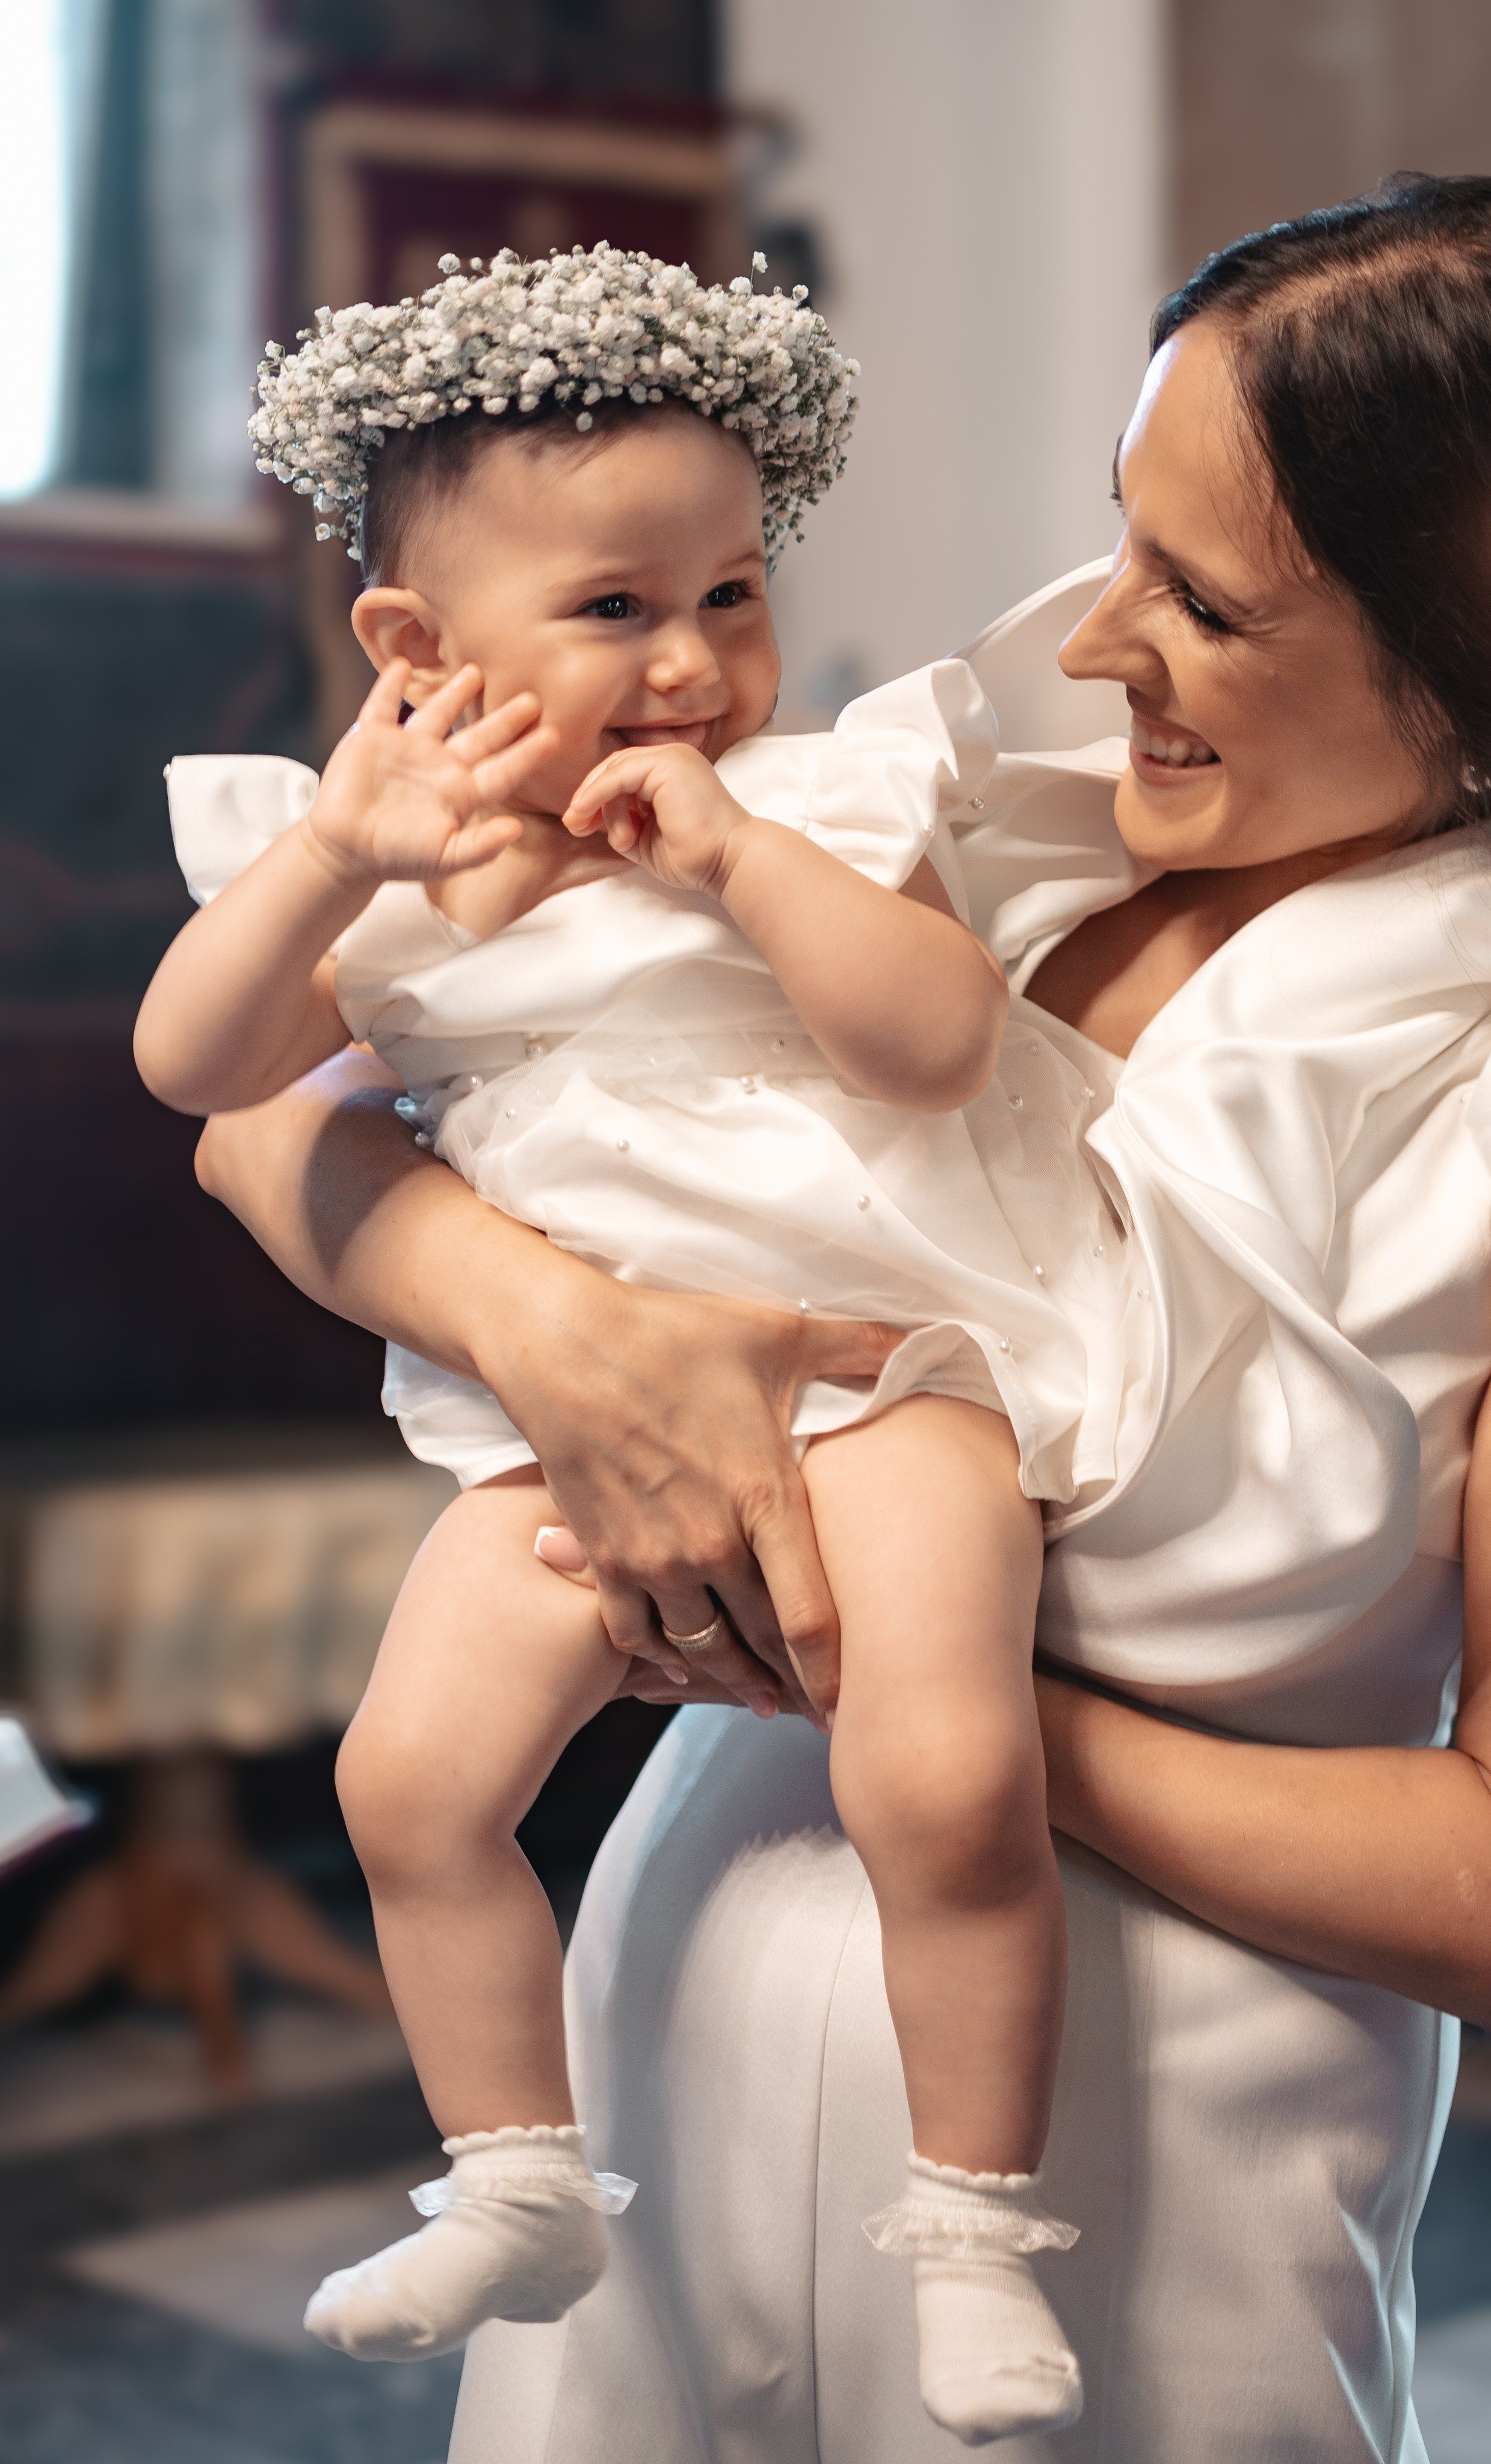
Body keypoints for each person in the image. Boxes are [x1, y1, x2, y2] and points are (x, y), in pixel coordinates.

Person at [192, 176, 1491, 2462]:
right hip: (671, 2007)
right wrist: (536, 1318)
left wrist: (919, 1688)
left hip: (1146, 2159)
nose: (1095, 643)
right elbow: (263, 1118)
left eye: (1201, 598)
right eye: (1122, 539)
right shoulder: (1022, 825)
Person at [134, 245, 1149, 2439]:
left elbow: (941, 1042)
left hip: (883, 1370)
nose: (695, 664)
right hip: (546, 1436)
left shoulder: (820, 805)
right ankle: (515, 2177)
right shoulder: (387, 865)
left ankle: (976, 2222)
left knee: (950, 1774)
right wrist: (332, 857)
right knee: (405, 1782)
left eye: (732, 592)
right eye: (617, 611)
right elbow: (197, 1071)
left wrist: (741, 874)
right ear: (417, 652)